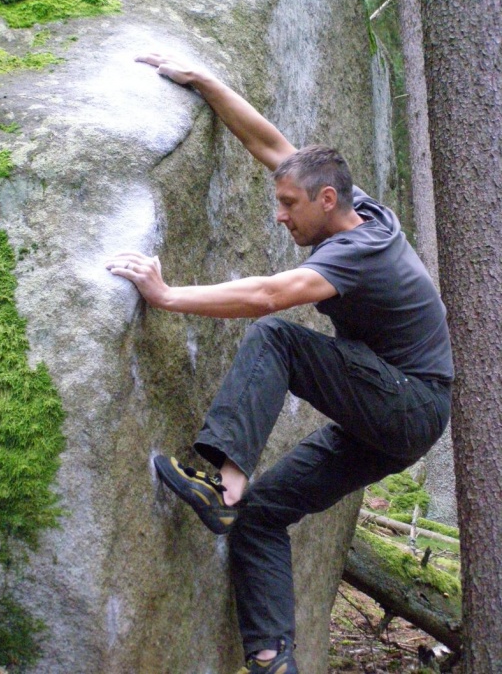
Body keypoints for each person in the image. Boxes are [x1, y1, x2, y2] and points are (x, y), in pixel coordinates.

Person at [105, 54, 453, 674]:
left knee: (277, 338)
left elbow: (269, 296)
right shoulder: (355, 207)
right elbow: (272, 146)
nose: (280, 214)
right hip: (392, 422)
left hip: (410, 401)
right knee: (263, 518)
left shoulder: (357, 252)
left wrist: (166, 295)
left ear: (325, 199)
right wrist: (206, 81)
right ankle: (273, 659)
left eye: (289, 204)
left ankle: (222, 484)